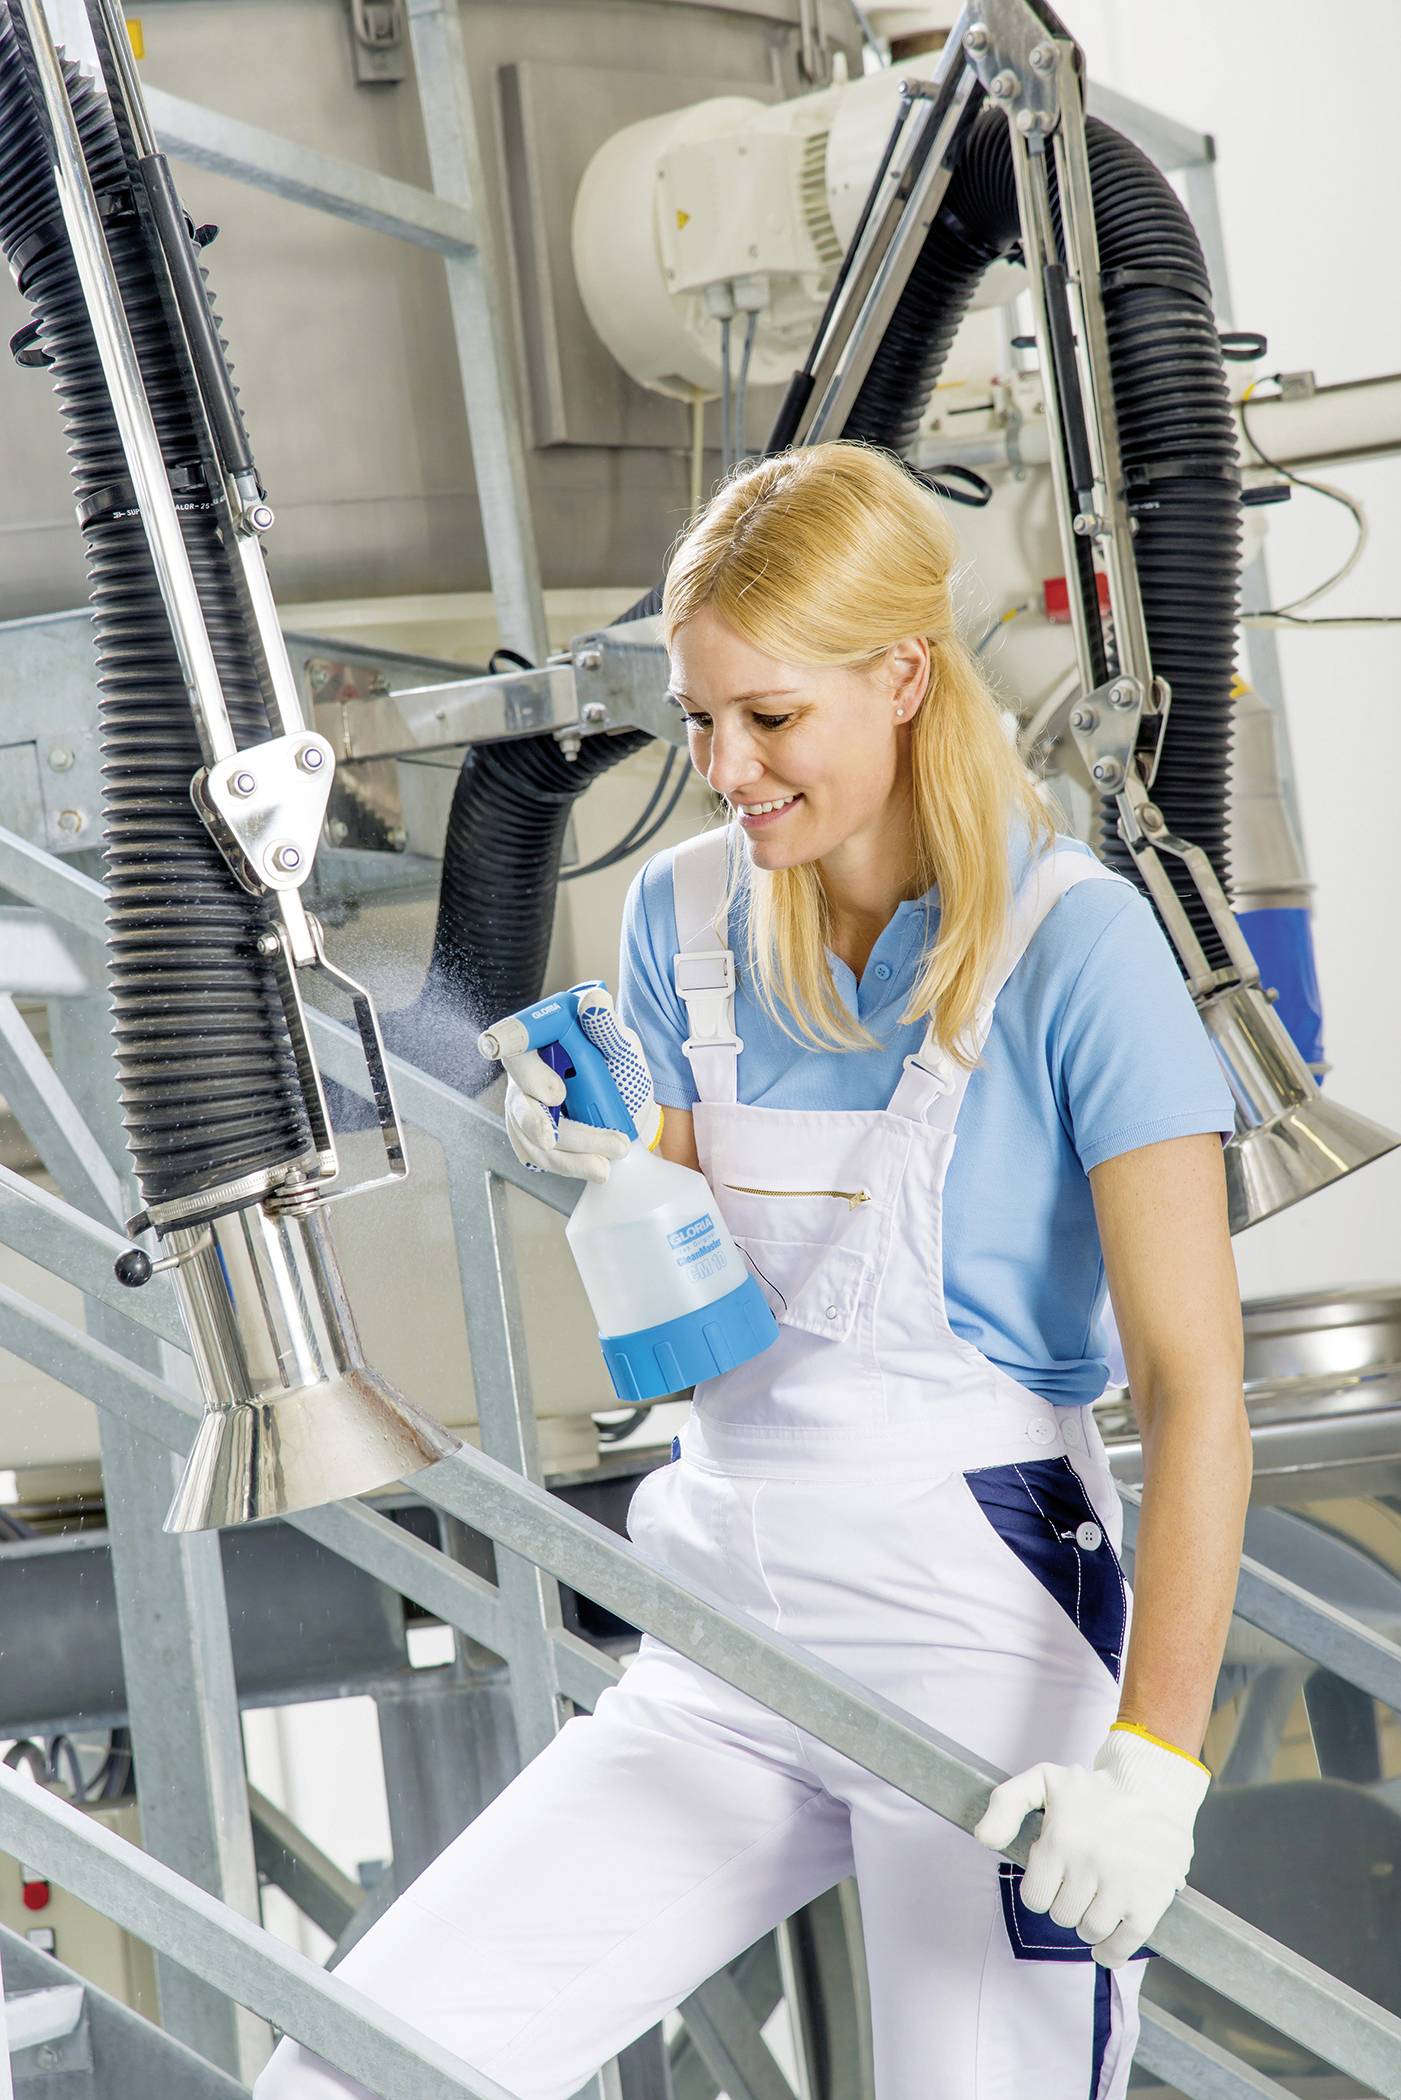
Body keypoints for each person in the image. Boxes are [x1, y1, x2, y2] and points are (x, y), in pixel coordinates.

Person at [255, 441, 1250, 2100]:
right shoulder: (684, 915)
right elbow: (710, 1323)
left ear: (903, 677)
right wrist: (622, 1183)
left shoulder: (1078, 951)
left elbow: (1192, 1390)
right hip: (724, 1631)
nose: (722, 763)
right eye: (697, 717)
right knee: (355, 2073)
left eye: (769, 718)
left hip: (977, 1650)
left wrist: (1148, 1771)